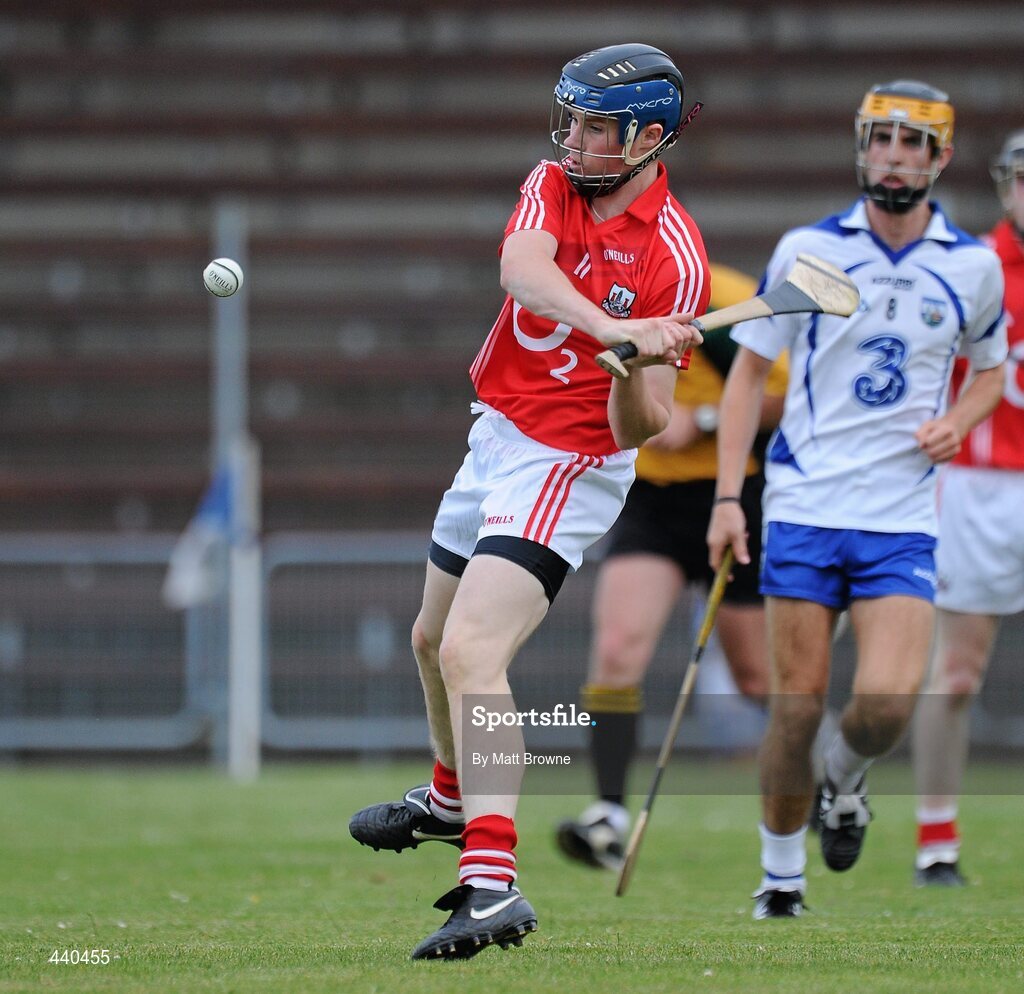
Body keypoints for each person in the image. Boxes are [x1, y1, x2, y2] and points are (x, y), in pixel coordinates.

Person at [348, 43, 709, 959]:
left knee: (474, 649)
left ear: (650, 137)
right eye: (575, 118)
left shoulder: (676, 258)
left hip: (570, 462)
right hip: (497, 436)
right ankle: (449, 795)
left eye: (597, 126)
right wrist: (612, 327)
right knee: (430, 641)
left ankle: (491, 883)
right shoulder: (551, 183)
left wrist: (632, 365)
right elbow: (522, 270)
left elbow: (644, 428)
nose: (575, 138)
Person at [706, 80, 1007, 920]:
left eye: (914, 144)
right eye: (882, 140)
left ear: (940, 159)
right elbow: (744, 382)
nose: (895, 157)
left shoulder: (972, 266)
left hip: (901, 514)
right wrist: (730, 498)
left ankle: (846, 782)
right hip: (803, 506)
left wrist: (960, 419)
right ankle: (779, 880)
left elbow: (993, 372)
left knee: (882, 708)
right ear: (861, 147)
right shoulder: (809, 249)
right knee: (795, 709)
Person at [555, 263, 788, 870]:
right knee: (616, 651)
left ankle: (822, 777)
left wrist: (702, 422)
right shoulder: (598, 295)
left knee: (758, 678)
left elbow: (785, 396)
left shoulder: (729, 302)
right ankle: (608, 815)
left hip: (733, 498)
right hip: (652, 500)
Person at [911, 127, 1024, 887]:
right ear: (1004, 183)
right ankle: (936, 841)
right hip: (979, 489)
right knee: (954, 675)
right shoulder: (972, 268)